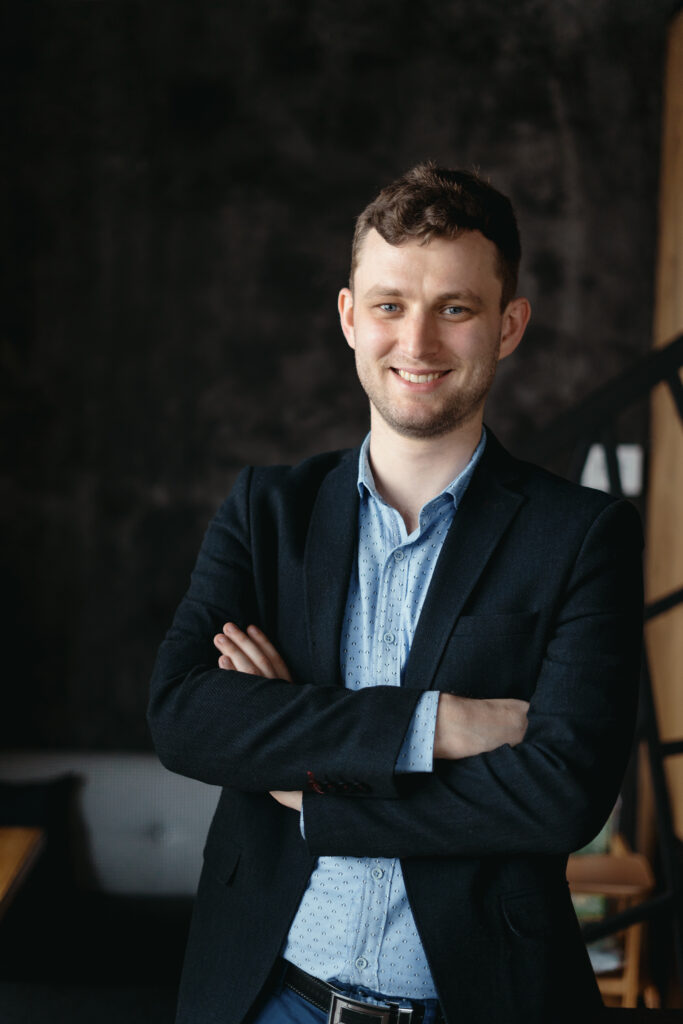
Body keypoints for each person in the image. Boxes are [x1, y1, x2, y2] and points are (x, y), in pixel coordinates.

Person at [148, 163, 643, 1024]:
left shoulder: (582, 535)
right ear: (349, 316)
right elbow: (186, 715)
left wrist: (312, 786)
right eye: (389, 305)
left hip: (480, 1001)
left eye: (454, 308)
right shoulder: (266, 510)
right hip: (268, 997)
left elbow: (559, 795)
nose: (415, 343)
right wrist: (435, 726)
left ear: (508, 325)